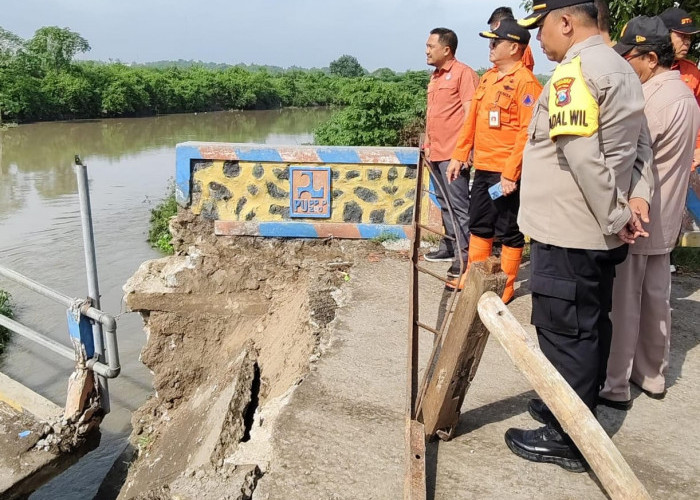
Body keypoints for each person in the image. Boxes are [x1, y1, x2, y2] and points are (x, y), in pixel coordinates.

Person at [506, 0, 653, 472]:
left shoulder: (575, 73)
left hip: (571, 229)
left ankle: (568, 437)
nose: (539, 41)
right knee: (589, 324)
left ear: (565, 22)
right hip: (596, 230)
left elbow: (583, 158)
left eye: (542, 29)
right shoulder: (622, 69)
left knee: (565, 329)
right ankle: (567, 405)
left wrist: (616, 214)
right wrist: (637, 200)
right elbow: (640, 146)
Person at [599, 16, 700, 408]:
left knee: (624, 305)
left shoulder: (652, 100)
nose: (627, 63)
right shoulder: (685, 95)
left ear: (651, 58)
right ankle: (653, 375)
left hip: (640, 218)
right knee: (657, 299)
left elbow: (630, 161)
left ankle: (615, 385)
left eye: (632, 56)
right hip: (667, 217)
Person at [445, 19, 542, 304]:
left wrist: (511, 174)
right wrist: (460, 155)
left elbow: (527, 134)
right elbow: (471, 121)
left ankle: (507, 285)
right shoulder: (488, 78)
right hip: (484, 169)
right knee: (480, 223)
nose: (490, 47)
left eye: (495, 42)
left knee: (508, 228)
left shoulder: (527, 84)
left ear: (513, 47)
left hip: (506, 173)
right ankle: (475, 276)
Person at [424, 28, 480, 277]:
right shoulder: (435, 77)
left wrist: (465, 151)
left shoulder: (463, 74)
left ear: (446, 49)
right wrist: (427, 144)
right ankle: (448, 246)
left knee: (459, 207)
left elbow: (471, 115)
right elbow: (433, 115)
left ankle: (464, 256)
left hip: (454, 155)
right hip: (436, 152)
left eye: (430, 46)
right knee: (444, 204)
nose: (427, 50)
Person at [659, 7, 700, 170]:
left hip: (687, 158)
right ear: (665, 35)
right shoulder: (644, 66)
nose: (687, 42)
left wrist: (699, 148)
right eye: (681, 36)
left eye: (689, 37)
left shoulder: (692, 72)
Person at [488, 6, 536, 71]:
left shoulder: (522, 48)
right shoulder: (498, 53)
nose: (491, 45)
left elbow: (525, 73)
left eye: (494, 30)